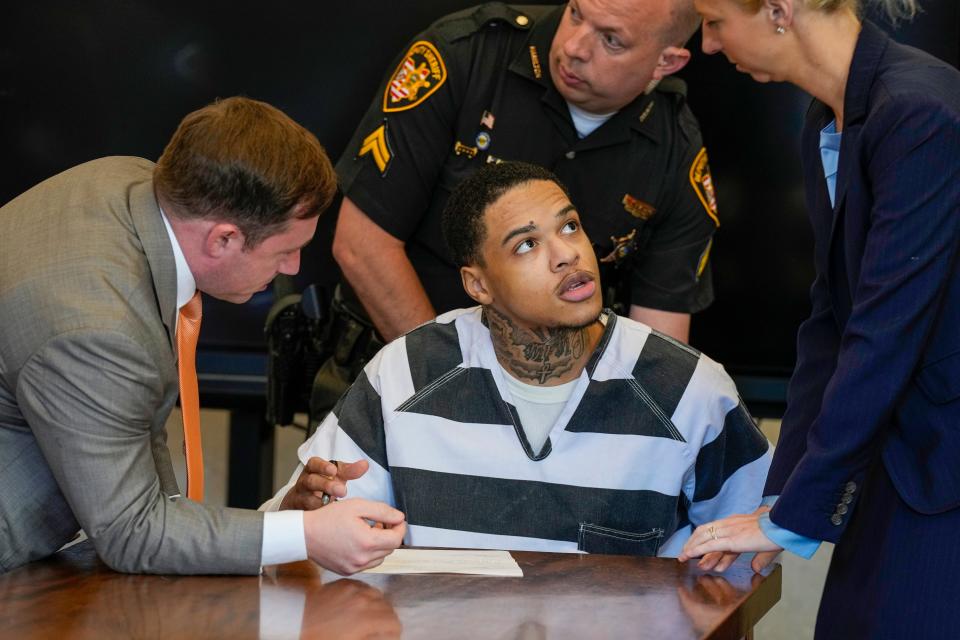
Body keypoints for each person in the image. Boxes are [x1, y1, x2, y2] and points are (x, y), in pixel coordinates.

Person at [264, 162, 771, 557]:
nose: (566, 254)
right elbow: (303, 528)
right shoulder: (404, 372)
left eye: (569, 227)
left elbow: (749, 555)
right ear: (477, 284)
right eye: (527, 244)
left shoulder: (688, 387)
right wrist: (299, 516)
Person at [0, 97, 405, 575]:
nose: (292, 268)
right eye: (287, 250)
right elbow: (133, 532)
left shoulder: (128, 182)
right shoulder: (98, 330)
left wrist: (282, 521)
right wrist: (305, 537)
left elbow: (140, 469)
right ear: (223, 239)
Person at [677, 1, 960, 637]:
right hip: (899, 458)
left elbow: (884, 335)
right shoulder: (828, 120)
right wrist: (781, 501)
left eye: (716, 20)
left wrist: (790, 518)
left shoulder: (919, 112)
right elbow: (831, 321)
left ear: (779, 10)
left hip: (943, 470)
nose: (710, 45)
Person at [331, 0, 720, 349]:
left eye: (611, 41)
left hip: (561, 396)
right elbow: (362, 245)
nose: (574, 48)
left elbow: (660, 340)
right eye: (576, 13)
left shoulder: (675, 150)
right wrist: (449, 387)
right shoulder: (465, 55)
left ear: (666, 62)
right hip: (402, 359)